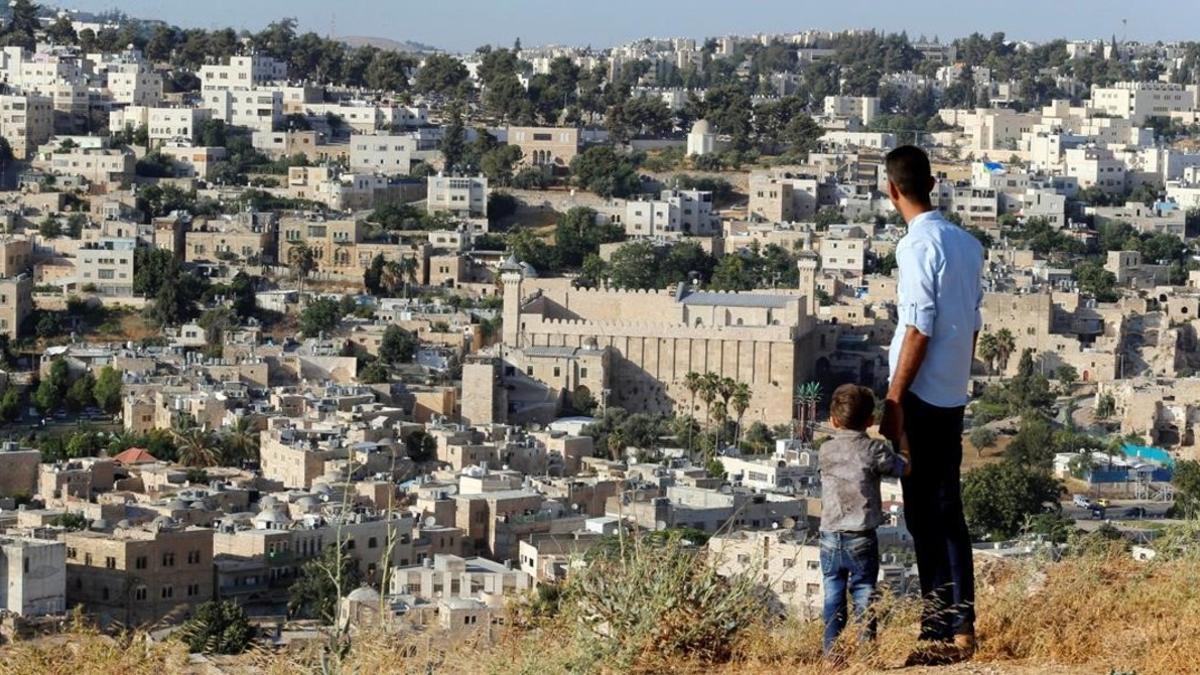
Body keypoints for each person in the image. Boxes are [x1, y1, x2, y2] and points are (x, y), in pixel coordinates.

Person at [877, 145, 985, 662]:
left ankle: (941, 630)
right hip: (951, 392)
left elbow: (918, 327)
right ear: (931, 184)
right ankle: (957, 626)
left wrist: (895, 400)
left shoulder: (916, 247)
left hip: (919, 395)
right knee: (947, 509)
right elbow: (973, 327)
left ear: (891, 188)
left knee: (925, 514)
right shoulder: (967, 245)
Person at [818, 383, 910, 656]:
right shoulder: (873, 450)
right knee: (864, 593)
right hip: (861, 536)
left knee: (833, 595)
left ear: (833, 420)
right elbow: (904, 468)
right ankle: (866, 653)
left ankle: (830, 654)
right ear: (870, 421)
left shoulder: (825, 451)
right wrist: (903, 438)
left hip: (829, 536)